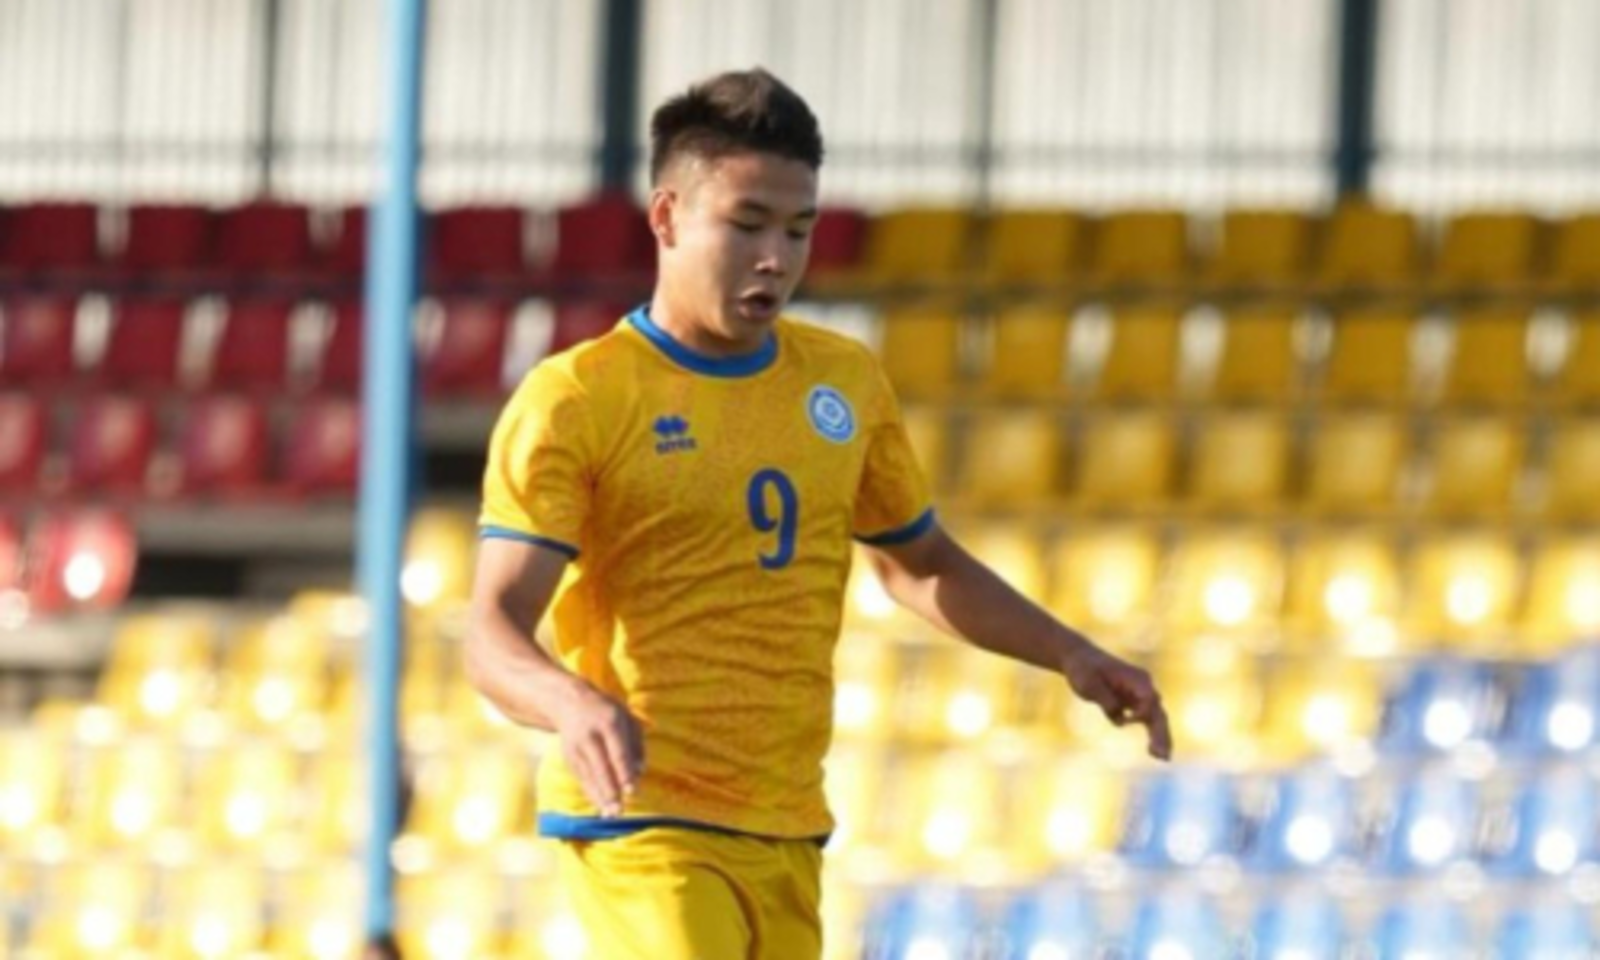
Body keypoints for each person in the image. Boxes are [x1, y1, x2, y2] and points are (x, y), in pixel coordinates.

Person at [468, 66, 1171, 960]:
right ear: (668, 217)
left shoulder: (843, 382)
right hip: (644, 823)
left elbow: (920, 566)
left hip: (787, 827)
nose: (776, 257)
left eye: (798, 230)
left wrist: (1070, 652)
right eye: (748, 224)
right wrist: (569, 703)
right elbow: (491, 630)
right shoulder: (578, 398)